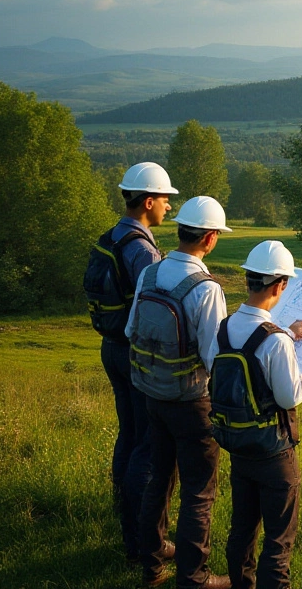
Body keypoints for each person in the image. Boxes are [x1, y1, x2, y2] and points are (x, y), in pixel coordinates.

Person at [205, 240, 302, 589]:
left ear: (249, 279)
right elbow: (289, 394)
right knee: (278, 542)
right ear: (280, 285)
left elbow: (222, 365)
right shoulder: (275, 341)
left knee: (242, 530)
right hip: (275, 453)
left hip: (239, 445)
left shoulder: (222, 328)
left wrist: (290, 334)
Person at [126, 196, 233, 589]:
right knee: (199, 492)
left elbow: (130, 332)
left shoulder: (150, 275)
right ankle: (194, 578)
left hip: (151, 395)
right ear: (209, 237)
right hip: (191, 402)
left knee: (159, 479)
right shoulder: (205, 289)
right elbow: (214, 358)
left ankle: (151, 564)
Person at [84, 161, 176, 565]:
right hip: (134, 352)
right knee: (147, 446)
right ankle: (142, 542)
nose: (170, 208)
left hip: (111, 347)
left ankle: (125, 519)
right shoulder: (141, 249)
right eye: (166, 200)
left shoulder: (113, 237)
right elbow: (159, 302)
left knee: (129, 435)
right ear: (149, 201)